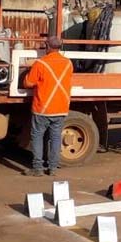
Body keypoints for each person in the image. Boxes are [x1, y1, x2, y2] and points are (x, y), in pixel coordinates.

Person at [22, 36, 73, 177]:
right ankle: (53, 168)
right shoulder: (68, 63)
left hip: (43, 108)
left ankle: (38, 168)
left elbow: (28, 83)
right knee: (56, 138)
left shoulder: (41, 63)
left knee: (37, 137)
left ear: (47, 46)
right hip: (61, 107)